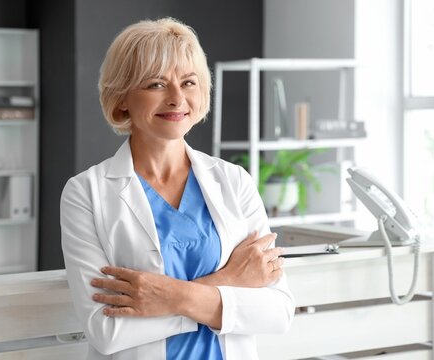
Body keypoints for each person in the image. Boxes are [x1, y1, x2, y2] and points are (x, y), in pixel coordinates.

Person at [60, 18, 294, 360]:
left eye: (188, 82)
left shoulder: (234, 181)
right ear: (122, 97)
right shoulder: (86, 193)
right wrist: (230, 280)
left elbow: (277, 310)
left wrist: (169, 296)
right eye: (156, 84)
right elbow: (106, 331)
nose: (176, 98)